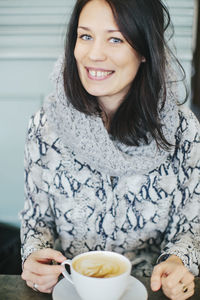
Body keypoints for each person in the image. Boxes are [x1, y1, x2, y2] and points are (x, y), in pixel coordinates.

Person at [20, 0, 200, 299]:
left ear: (144, 50)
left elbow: (192, 226)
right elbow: (37, 220)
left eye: (115, 39)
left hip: (149, 288)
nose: (94, 54)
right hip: (70, 288)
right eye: (85, 36)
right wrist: (35, 256)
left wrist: (178, 262)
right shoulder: (46, 125)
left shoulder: (183, 130)